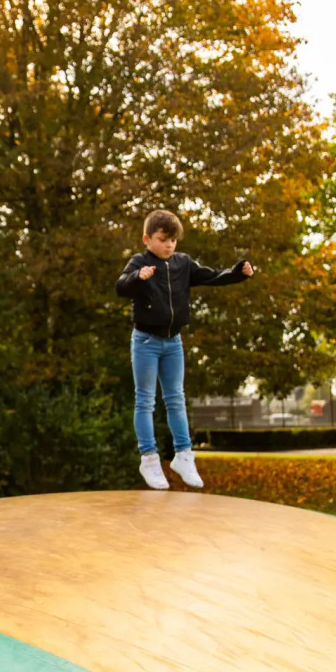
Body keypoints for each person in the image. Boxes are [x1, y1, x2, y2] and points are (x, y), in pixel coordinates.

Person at [115, 209, 254, 490]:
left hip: (173, 342)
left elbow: (212, 276)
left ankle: (183, 456)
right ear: (147, 238)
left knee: (176, 398)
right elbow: (120, 287)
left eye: (173, 241)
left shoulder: (182, 264)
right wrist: (137, 277)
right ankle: (150, 459)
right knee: (145, 400)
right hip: (145, 341)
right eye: (163, 239)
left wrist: (238, 273)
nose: (169, 245)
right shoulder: (139, 262)